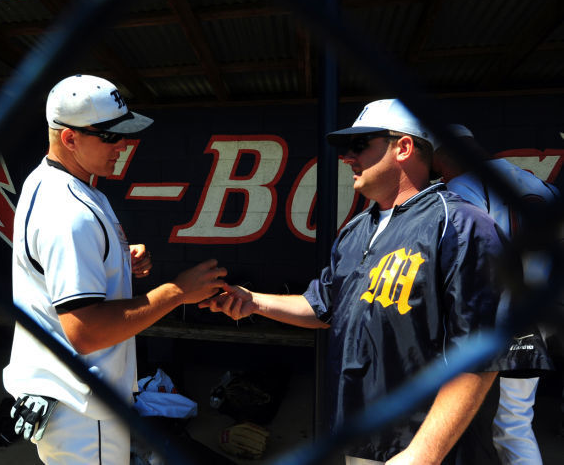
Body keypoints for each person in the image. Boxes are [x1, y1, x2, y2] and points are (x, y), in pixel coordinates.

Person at [201, 99, 512, 464]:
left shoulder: (461, 225)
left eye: (361, 144)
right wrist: (252, 300)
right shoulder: (355, 230)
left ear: (404, 147)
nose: (348, 156)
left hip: (430, 447)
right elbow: (322, 307)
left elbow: (481, 351)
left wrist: (425, 452)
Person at [2, 74, 227, 465]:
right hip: (84, 408)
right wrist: (177, 291)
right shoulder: (68, 213)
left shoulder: (58, 184)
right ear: (69, 138)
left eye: (125, 133)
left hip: (64, 396)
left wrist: (119, 261)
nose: (124, 144)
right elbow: (87, 331)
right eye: (110, 136)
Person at [432, 124, 558, 465]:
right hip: (537, 321)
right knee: (515, 424)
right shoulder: (536, 183)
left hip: (489, 323)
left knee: (465, 426)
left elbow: (464, 256)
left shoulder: (462, 186)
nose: (438, 171)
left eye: (438, 162)